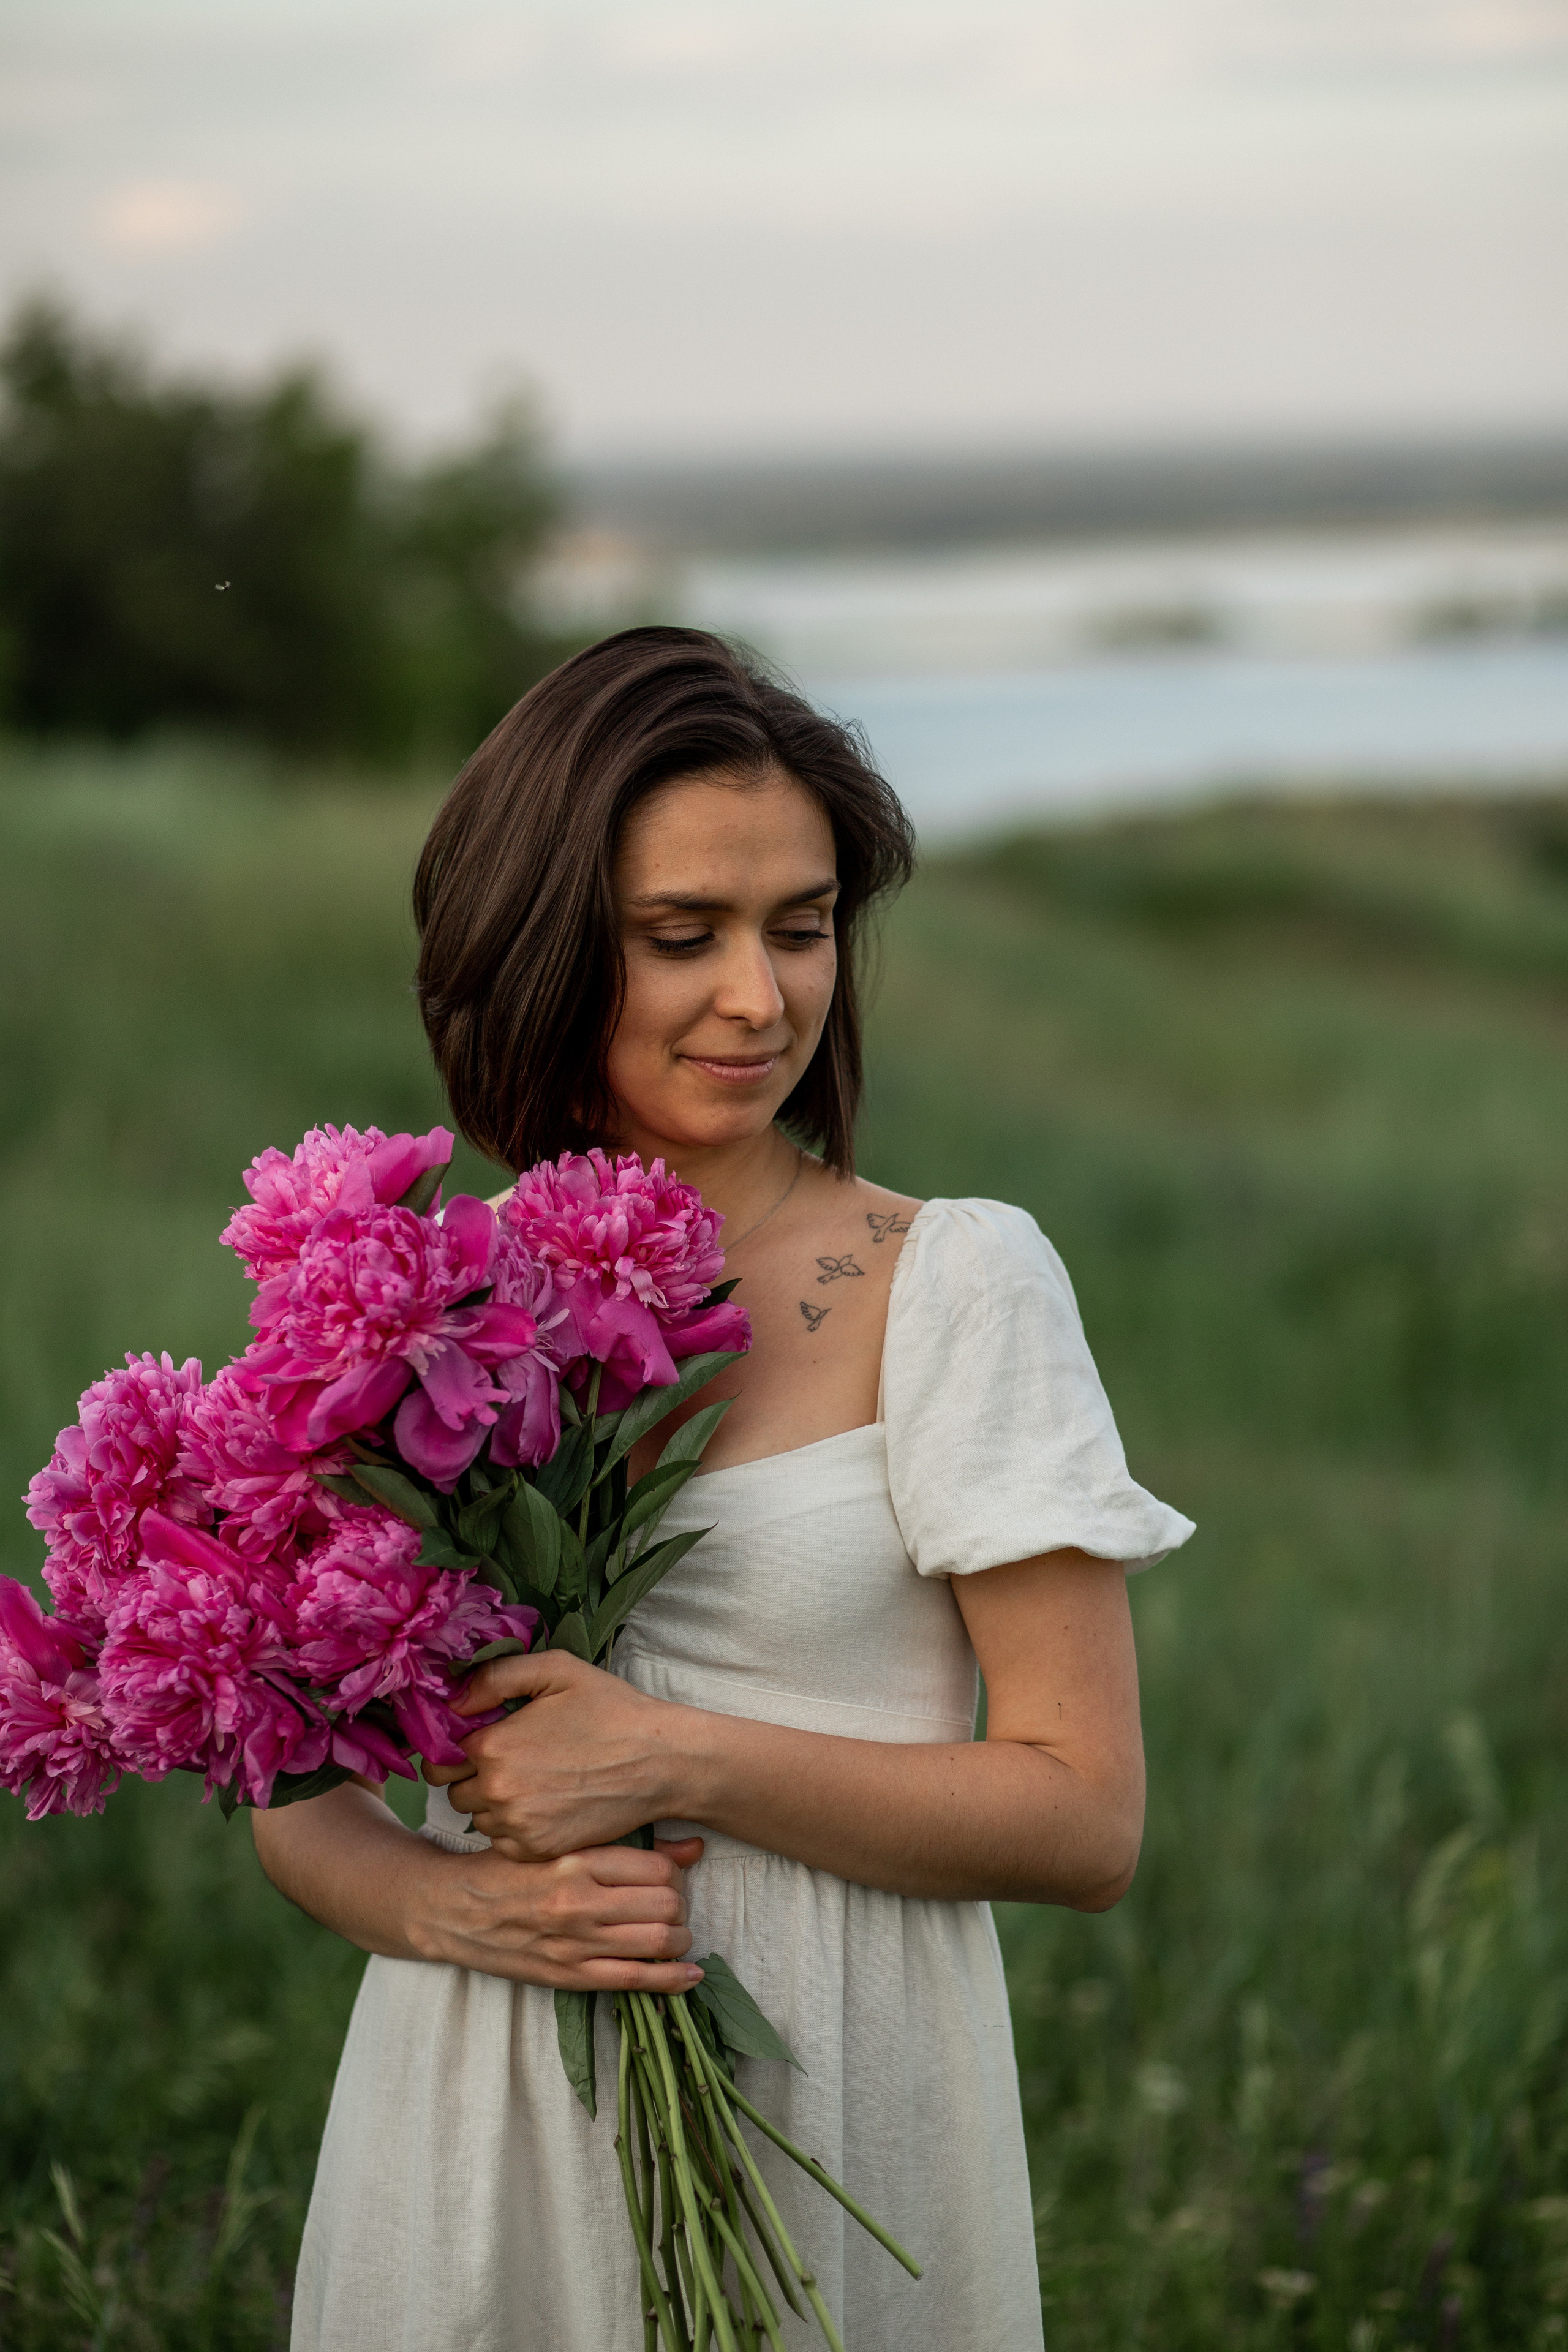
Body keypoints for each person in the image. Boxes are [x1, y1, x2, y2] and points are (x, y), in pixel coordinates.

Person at [255, 625, 1194, 2351]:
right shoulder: (412, 1301)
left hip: (840, 2098)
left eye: (804, 927)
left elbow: (1087, 1820)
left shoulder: (955, 1281)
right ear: (540, 945)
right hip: (477, 2107)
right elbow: (289, 1789)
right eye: (682, 937)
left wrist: (673, 1755)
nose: (760, 998)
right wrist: (452, 1903)